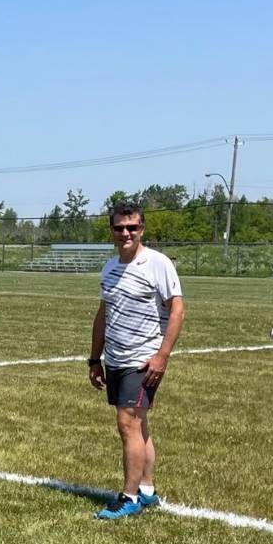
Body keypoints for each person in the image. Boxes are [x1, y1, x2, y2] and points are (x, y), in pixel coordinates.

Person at [89, 203, 185, 520]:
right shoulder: (109, 268)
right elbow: (104, 314)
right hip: (115, 359)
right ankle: (146, 489)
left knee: (127, 423)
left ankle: (129, 497)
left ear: (142, 229)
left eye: (132, 227)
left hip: (141, 361)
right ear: (112, 231)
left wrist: (162, 356)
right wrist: (94, 358)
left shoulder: (157, 264)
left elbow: (177, 310)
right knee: (139, 426)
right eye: (119, 228)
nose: (126, 233)